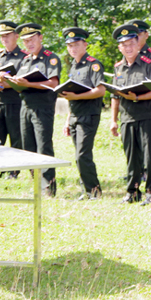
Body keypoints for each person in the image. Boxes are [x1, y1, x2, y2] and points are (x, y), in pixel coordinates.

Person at [3, 23, 61, 196]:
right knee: (28, 148)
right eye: (26, 41)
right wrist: (5, 80)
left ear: (40, 38)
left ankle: (48, 187)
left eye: (32, 39)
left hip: (42, 108)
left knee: (43, 146)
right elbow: (19, 84)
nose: (29, 43)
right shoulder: (26, 60)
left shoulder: (50, 58)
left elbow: (53, 83)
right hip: (25, 107)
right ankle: (36, 184)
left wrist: (29, 84)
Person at [109, 24, 151, 204]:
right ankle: (132, 191)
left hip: (146, 116)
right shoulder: (118, 68)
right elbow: (115, 95)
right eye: (124, 45)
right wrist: (113, 120)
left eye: (132, 43)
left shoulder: (150, 65)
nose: (129, 48)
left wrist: (138, 97)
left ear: (138, 44)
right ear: (120, 48)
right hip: (126, 118)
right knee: (131, 157)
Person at [59, 27, 105, 200]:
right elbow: (71, 96)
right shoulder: (74, 65)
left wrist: (77, 96)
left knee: (82, 154)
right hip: (75, 115)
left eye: (76, 45)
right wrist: (67, 120)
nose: (73, 49)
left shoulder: (93, 64)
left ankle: (94, 191)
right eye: (70, 46)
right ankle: (87, 190)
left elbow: (100, 90)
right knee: (79, 154)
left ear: (85, 45)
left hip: (89, 115)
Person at [0, 20, 25, 177]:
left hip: (15, 102)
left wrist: (4, 83)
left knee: (16, 137)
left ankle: (13, 171)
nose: (4, 39)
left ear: (16, 36)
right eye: (2, 36)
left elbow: (22, 80)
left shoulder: (24, 58)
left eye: (7, 35)